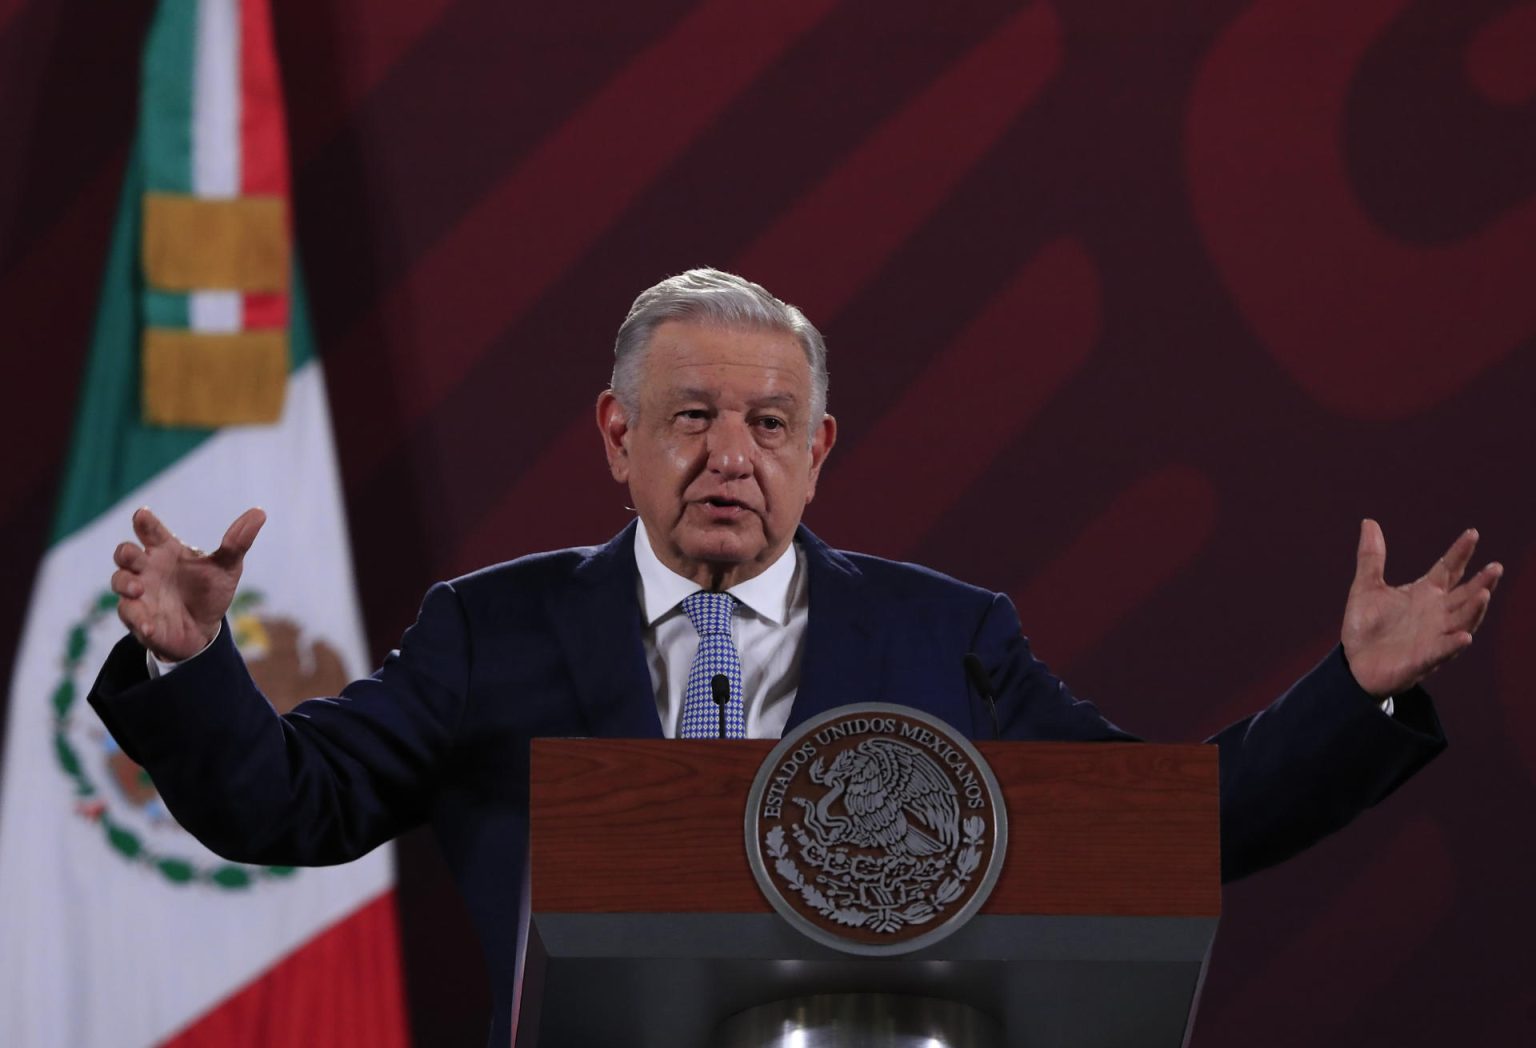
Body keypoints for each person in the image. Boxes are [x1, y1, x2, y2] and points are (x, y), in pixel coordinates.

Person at [91, 268, 1501, 1045]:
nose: (727, 457)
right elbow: (292, 803)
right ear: (615, 437)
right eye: (689, 415)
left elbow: (1168, 830)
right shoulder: (491, 628)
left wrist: (1356, 688)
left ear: (819, 453)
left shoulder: (947, 636)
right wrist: (192, 666)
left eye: (770, 427)